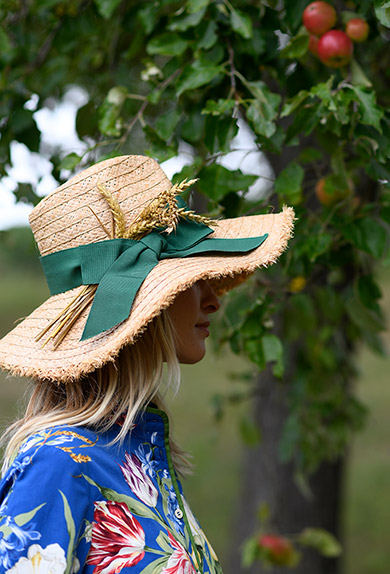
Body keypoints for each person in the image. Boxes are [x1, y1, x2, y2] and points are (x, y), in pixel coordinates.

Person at [0, 155, 294, 574]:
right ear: (142, 306)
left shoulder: (135, 448)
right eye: (194, 280)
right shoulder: (58, 464)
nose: (214, 299)